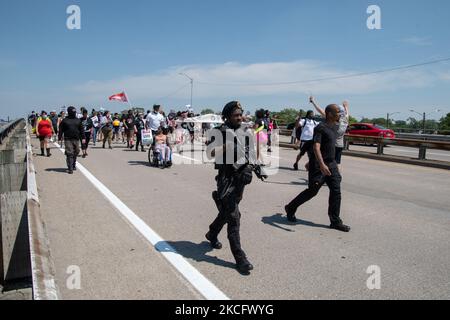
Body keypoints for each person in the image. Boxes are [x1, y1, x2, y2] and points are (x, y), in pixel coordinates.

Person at [205, 101, 257, 274]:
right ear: (226, 117)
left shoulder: (245, 131)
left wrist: (250, 169)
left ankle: (212, 233)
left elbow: (251, 154)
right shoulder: (219, 131)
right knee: (234, 216)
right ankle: (240, 258)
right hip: (226, 179)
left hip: (241, 177)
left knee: (228, 211)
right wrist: (224, 146)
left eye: (240, 114)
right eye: (236, 115)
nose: (239, 117)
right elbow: (210, 153)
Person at [284, 104, 350, 232]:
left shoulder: (333, 127)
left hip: (331, 164)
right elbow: (316, 147)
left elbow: (345, 118)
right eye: (338, 112)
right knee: (312, 191)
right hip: (320, 165)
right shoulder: (321, 127)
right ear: (330, 114)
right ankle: (291, 207)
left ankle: (335, 221)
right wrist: (321, 164)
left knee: (336, 191)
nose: (340, 115)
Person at [310, 96, 350, 167]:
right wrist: (346, 107)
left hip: (331, 145)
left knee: (327, 162)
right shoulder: (345, 121)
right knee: (337, 164)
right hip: (340, 145)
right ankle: (336, 175)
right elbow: (347, 114)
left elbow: (320, 110)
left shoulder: (334, 121)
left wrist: (313, 102)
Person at [58, 106, 83, 174]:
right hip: (68, 139)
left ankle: (73, 163)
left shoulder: (78, 120)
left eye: (74, 112)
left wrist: (83, 138)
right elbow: (61, 129)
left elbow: (81, 129)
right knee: (70, 153)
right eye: (72, 112)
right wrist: (59, 137)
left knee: (77, 151)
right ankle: (70, 168)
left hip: (76, 139)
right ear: (69, 112)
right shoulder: (65, 120)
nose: (74, 113)